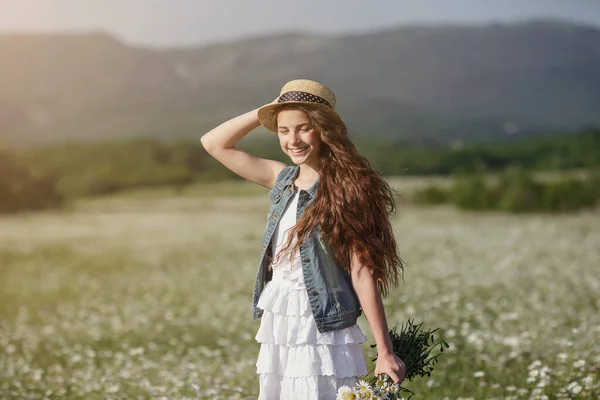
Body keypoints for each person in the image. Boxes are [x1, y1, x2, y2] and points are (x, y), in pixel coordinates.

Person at [200, 79, 406, 399]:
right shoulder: (280, 179)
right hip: (280, 319)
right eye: (284, 130)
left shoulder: (345, 191)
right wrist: (270, 109)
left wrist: (384, 350)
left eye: (304, 128)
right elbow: (214, 143)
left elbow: (362, 271)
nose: (292, 140)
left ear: (324, 130)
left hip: (320, 323)